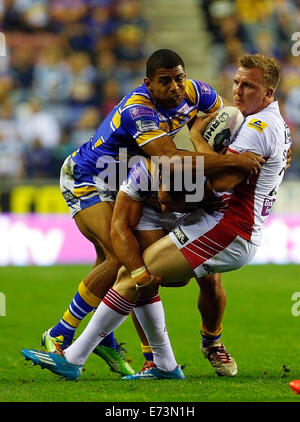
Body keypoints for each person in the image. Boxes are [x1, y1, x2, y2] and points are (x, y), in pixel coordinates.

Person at [21, 53, 281, 381]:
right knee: (123, 259)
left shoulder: (196, 92)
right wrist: (235, 162)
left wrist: (231, 150)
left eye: (178, 79)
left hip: (137, 177)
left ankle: (145, 350)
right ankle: (61, 334)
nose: (175, 87)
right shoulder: (139, 111)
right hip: (93, 177)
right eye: (165, 81)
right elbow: (171, 161)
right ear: (149, 83)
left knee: (165, 271)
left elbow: (225, 119)